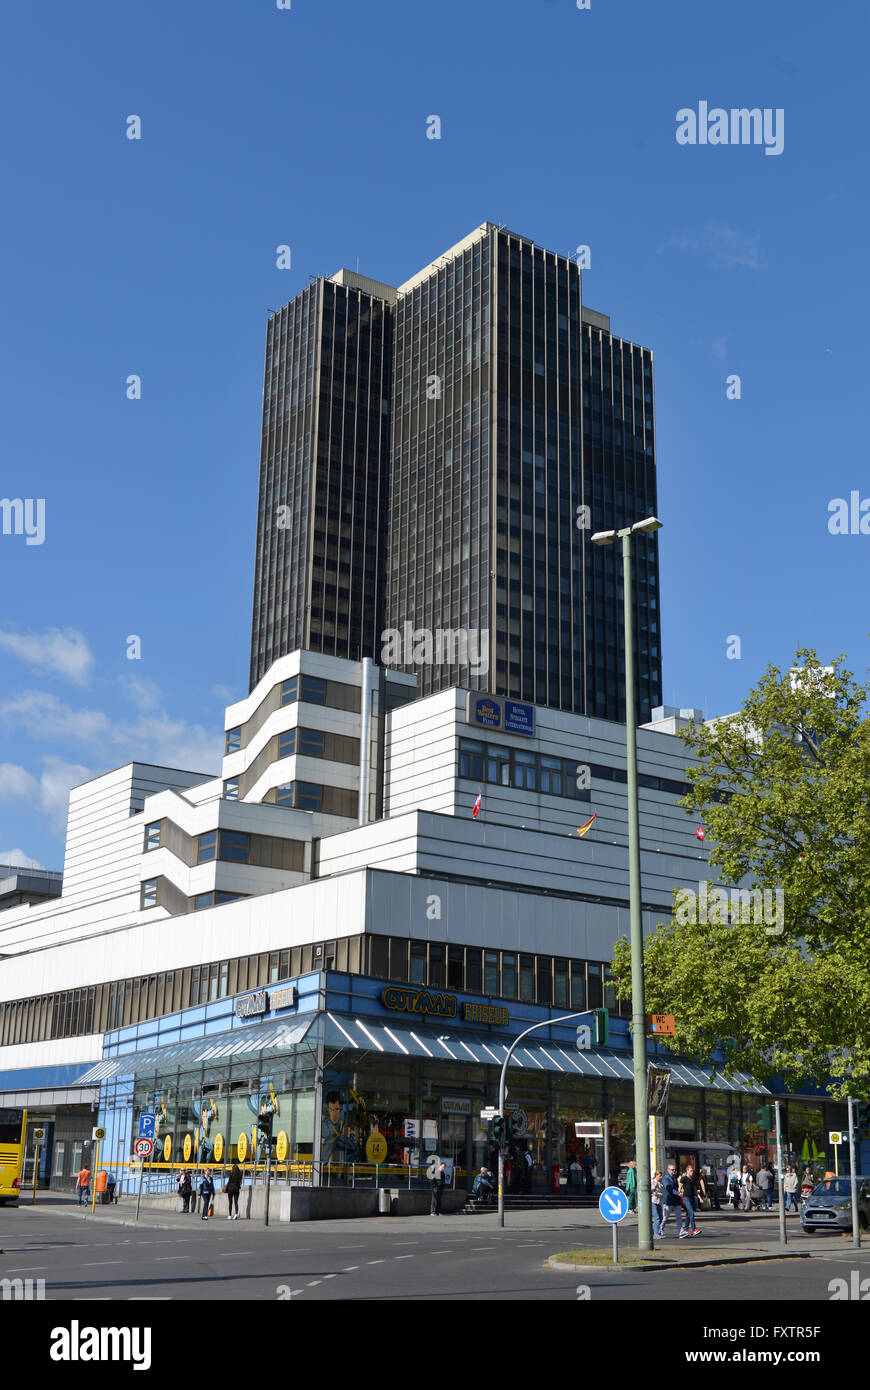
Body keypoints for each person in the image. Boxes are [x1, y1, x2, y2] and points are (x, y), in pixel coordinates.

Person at [679, 1163, 701, 1237]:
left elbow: (695, 1190)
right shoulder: (684, 1178)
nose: (692, 1172)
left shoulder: (693, 1179)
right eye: (691, 1171)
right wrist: (679, 1193)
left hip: (691, 1198)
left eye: (692, 1171)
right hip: (686, 1198)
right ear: (687, 1171)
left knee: (688, 1214)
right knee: (691, 1213)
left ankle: (685, 1229)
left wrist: (699, 1198)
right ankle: (694, 1229)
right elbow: (679, 1187)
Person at [661, 1162, 681, 1234]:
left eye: (674, 1170)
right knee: (665, 1218)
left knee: (679, 1217)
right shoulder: (666, 1178)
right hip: (669, 1200)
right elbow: (669, 1189)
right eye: (672, 1170)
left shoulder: (674, 1178)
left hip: (676, 1200)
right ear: (668, 1170)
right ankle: (660, 1229)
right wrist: (678, 1193)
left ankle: (680, 1232)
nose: (674, 1171)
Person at [651, 1170, 664, 1238]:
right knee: (657, 1218)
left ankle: (657, 1232)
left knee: (661, 1218)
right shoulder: (654, 1182)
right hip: (654, 1201)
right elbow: (652, 1190)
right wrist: (656, 1193)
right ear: (656, 1176)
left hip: (659, 1202)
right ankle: (656, 1234)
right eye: (659, 1176)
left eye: (661, 1176)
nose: (661, 1177)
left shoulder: (660, 1183)